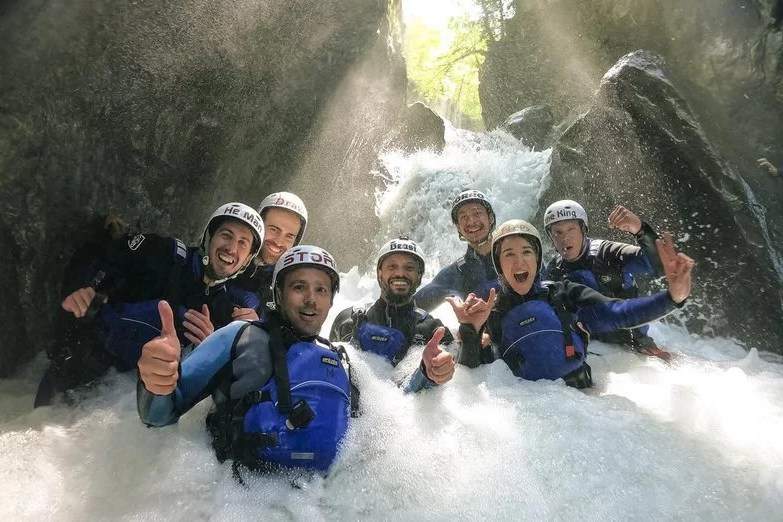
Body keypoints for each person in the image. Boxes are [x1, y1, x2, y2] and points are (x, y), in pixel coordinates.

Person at [137, 245, 357, 474]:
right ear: (279, 295)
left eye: (321, 290)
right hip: (233, 496)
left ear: (331, 300)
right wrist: (156, 383)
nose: (311, 299)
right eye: (299, 287)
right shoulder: (240, 335)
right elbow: (157, 416)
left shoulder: (340, 359)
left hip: (311, 500)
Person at [35, 202, 265, 407]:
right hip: (78, 368)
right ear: (209, 237)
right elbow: (103, 256)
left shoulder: (224, 314)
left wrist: (210, 350)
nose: (231, 248)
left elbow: (207, 391)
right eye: (226, 235)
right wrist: (85, 287)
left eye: (243, 243)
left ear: (247, 260)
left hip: (124, 405)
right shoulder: (163, 254)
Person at [450, 219, 694, 388]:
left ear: (537, 259)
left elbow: (618, 312)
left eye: (526, 252)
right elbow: (470, 378)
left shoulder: (564, 294)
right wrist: (470, 330)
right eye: (509, 254)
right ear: (499, 265)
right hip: (525, 406)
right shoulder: (490, 311)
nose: (519, 261)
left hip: (579, 401)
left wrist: (672, 298)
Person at [542, 200, 671, 360]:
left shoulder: (607, 252)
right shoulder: (554, 269)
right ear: (550, 237)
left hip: (634, 345)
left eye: (571, 229)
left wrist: (640, 229)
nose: (565, 238)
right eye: (557, 232)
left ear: (583, 229)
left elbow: (659, 264)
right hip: (591, 347)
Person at [330, 237, 456, 392]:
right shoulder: (347, 320)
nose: (400, 273)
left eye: (409, 268)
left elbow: (467, 372)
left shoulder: (433, 329)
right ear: (379, 273)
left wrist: (471, 330)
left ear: (419, 276)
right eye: (392, 266)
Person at [413, 190, 499, 312]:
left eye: (477, 213)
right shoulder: (455, 273)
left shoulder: (516, 255)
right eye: (464, 217)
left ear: (490, 218)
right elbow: (411, 307)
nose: (471, 222)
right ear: (458, 227)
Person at [235, 192, 308, 313]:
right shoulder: (226, 253)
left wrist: (259, 326)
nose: (279, 242)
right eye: (274, 229)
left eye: (289, 236)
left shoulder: (291, 288)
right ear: (258, 225)